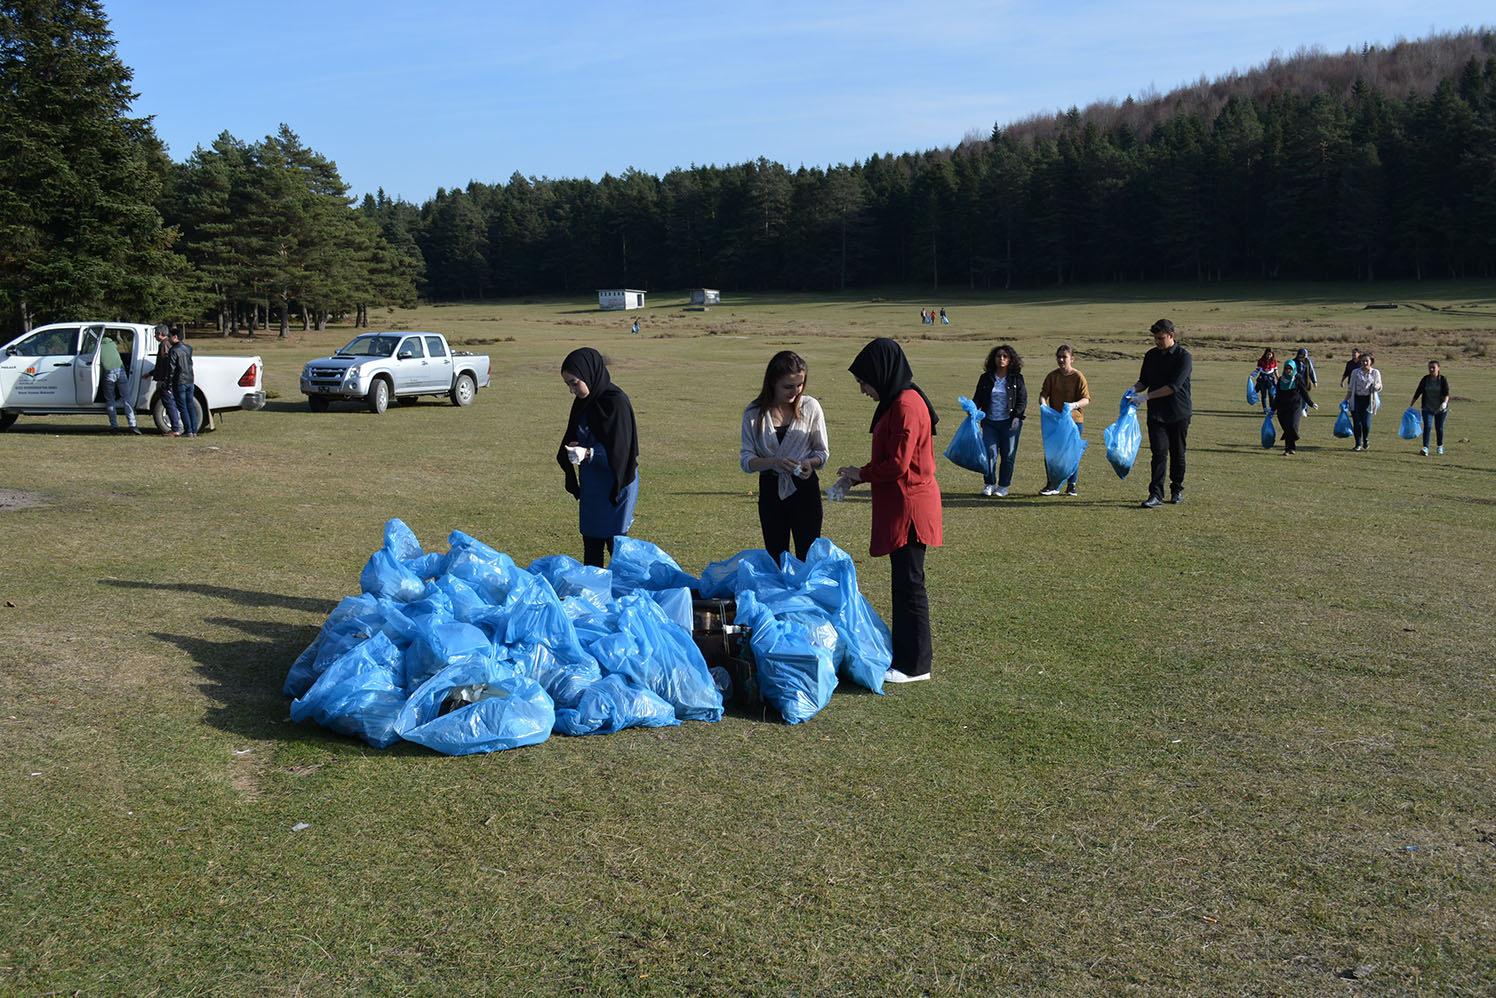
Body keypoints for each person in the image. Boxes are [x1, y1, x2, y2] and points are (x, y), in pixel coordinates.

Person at [835, 338, 941, 684]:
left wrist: (860, 474)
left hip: (910, 508)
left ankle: (916, 666)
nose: (863, 390)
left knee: (911, 585)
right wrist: (859, 475)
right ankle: (906, 658)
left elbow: (897, 464)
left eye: (864, 382)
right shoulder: (897, 402)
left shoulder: (907, 405)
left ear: (881, 374)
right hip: (900, 504)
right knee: (903, 583)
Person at [740, 351, 828, 562]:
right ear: (772, 383)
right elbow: (746, 460)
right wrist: (774, 462)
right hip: (771, 490)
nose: (795, 392)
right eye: (788, 386)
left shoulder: (811, 407)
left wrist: (809, 463)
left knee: (808, 557)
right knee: (776, 556)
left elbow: (822, 453)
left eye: (800, 385)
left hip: (805, 490)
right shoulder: (754, 413)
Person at [557, 348, 639, 568]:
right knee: (591, 542)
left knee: (616, 544)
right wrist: (575, 447)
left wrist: (589, 453)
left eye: (574, 383)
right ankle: (593, 595)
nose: (572, 390)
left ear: (589, 374)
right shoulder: (583, 402)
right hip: (592, 484)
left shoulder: (617, 402)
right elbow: (576, 434)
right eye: (568, 385)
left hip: (617, 484)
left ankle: (622, 594)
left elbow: (622, 451)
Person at [1132, 318, 1192, 508]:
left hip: (1178, 413)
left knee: (1178, 453)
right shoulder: (1151, 355)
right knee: (1158, 453)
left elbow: (1173, 387)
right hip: (1156, 414)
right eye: (1155, 339)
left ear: (1171, 336)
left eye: (1160, 338)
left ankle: (1177, 490)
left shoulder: (1184, 357)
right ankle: (1156, 494)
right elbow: (1144, 380)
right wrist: (1134, 390)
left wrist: (1146, 397)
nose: (1157, 342)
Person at [974, 344, 1026, 497]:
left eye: (1005, 356)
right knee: (989, 453)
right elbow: (978, 398)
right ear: (993, 359)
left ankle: (1003, 486)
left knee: (1008, 454)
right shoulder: (986, 378)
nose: (1001, 359)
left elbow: (1022, 400)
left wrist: (1017, 416)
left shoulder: (1017, 378)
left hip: (1010, 423)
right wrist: (972, 408)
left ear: (1010, 360)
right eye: (998, 356)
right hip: (990, 421)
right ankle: (989, 483)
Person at [1038, 344, 1090, 495]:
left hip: (1074, 420)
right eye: (1059, 357)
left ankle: (1071, 485)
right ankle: (1052, 484)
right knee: (1052, 453)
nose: (1061, 360)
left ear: (1072, 359)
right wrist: (1043, 405)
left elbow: (1086, 399)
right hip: (1055, 421)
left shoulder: (1078, 376)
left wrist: (1073, 405)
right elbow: (1043, 394)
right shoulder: (1052, 376)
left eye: (1064, 357)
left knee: (1071, 454)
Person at [99, 330, 140, 434]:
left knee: (110, 400)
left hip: (109, 374)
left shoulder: (98, 347)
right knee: (126, 399)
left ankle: (114, 426)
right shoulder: (112, 344)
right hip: (121, 371)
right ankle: (133, 425)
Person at [1344, 351, 1382, 452]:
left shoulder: (1375, 373)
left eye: (1367, 361)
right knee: (1357, 423)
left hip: (1368, 400)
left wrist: (1376, 386)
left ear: (1371, 362)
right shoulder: (1355, 372)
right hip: (1356, 400)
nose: (1365, 363)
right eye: (1363, 361)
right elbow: (1350, 388)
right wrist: (1345, 401)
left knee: (1365, 423)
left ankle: (1366, 439)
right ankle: (1358, 443)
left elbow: (1379, 385)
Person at [1410, 360, 1451, 456]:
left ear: (1438, 369)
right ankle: (1425, 448)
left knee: (1439, 427)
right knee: (1427, 427)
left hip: (1440, 408)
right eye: (1430, 368)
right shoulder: (1425, 379)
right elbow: (1418, 391)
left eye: (1434, 368)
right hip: (1427, 407)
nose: (1431, 369)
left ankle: (1440, 446)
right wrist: (1411, 405)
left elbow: (1446, 393)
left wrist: (1445, 403)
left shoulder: (1442, 379)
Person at [147, 325, 181, 435]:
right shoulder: (167, 343)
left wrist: (163, 380)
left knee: (169, 403)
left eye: (155, 334)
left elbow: (166, 364)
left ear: (159, 334)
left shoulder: (164, 344)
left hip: (165, 380)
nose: (155, 336)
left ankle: (175, 428)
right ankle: (176, 427)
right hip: (167, 379)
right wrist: (151, 373)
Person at [167, 328, 198, 438]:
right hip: (190, 379)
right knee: (190, 405)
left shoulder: (174, 350)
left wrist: (169, 383)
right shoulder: (188, 348)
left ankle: (188, 430)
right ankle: (194, 430)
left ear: (175, 337)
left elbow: (172, 369)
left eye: (170, 336)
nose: (168, 339)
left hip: (179, 381)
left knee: (182, 407)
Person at [1274, 355, 1303, 456]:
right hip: (1282, 408)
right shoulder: (1281, 380)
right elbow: (1277, 396)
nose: (1288, 370)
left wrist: (1311, 403)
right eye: (1286, 368)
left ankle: (1294, 439)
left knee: (1292, 426)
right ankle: (1289, 448)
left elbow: (1304, 392)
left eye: (1290, 369)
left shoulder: (1298, 378)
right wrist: (1273, 409)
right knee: (1286, 428)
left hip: (1295, 406)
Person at [1252, 348, 1279, 413]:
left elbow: (1276, 371)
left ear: (1272, 355)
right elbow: (1257, 370)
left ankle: (1272, 408)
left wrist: (1279, 379)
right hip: (1262, 379)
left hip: (1271, 379)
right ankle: (1265, 409)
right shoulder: (1261, 361)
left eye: (1270, 354)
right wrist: (1252, 375)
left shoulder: (1274, 361)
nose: (1269, 356)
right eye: (1268, 354)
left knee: (1271, 394)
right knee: (1263, 394)